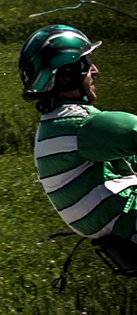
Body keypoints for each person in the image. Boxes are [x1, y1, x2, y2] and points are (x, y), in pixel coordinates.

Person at [22, 23, 137, 241]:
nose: (96, 71)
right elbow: (132, 129)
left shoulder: (54, 125)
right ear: (67, 76)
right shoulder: (77, 125)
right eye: (87, 64)